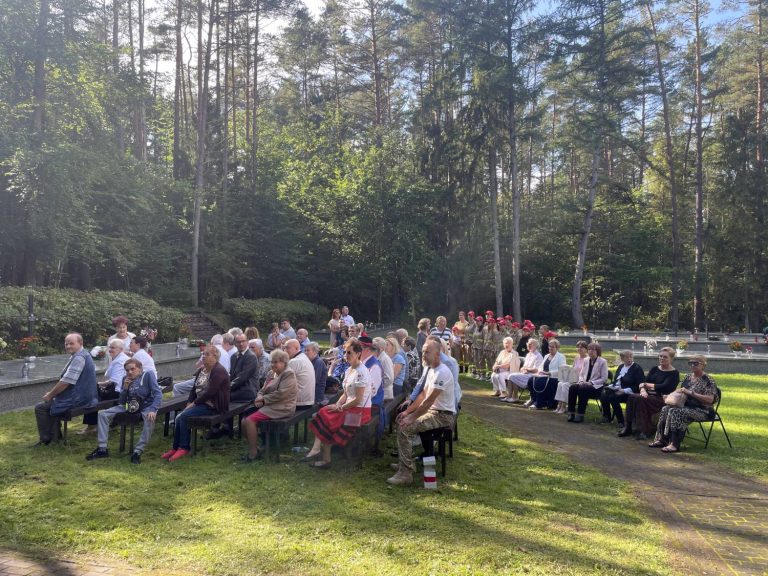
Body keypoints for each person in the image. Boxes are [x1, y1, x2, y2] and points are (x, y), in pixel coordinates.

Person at [388, 339, 456, 486]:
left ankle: (406, 473)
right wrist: (407, 412)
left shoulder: (442, 372)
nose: (423, 355)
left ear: (437, 354)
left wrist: (411, 417)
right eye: (423, 351)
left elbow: (429, 401)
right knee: (401, 421)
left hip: (443, 416)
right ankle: (405, 464)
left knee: (405, 428)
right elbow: (422, 395)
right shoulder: (432, 369)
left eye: (427, 352)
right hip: (433, 411)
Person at [306, 339, 372, 468]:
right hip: (349, 406)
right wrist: (337, 404)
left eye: (350, 353)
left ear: (359, 353)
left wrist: (340, 407)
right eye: (345, 353)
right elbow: (346, 393)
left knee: (328, 417)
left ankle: (324, 457)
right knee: (325, 411)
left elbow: (358, 399)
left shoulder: (362, 372)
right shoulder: (349, 370)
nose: (346, 356)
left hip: (360, 411)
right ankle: (323, 456)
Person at [85, 358, 162, 464]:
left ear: (139, 369)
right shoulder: (125, 378)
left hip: (145, 406)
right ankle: (102, 449)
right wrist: (125, 388)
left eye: (132, 369)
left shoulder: (148, 375)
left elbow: (158, 393)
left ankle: (137, 452)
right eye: (127, 370)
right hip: (129, 405)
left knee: (149, 419)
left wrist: (153, 409)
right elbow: (121, 401)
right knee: (102, 414)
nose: (129, 372)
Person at [161, 345, 230, 462]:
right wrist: (189, 402)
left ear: (215, 357)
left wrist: (194, 404)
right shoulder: (202, 370)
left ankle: (184, 447)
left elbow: (210, 393)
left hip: (213, 405)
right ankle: (175, 448)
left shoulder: (219, 371)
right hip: (201, 403)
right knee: (178, 417)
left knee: (183, 417)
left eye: (207, 354)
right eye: (203, 354)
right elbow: (194, 389)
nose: (203, 357)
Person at [34, 333, 98, 446]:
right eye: (66, 344)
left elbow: (66, 382)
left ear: (81, 343)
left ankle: (47, 439)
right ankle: (54, 437)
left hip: (79, 399)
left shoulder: (79, 358)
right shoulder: (84, 354)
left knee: (41, 407)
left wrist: (50, 395)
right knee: (50, 404)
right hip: (87, 396)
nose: (68, 346)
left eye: (71, 343)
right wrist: (52, 394)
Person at [650, 354, 717, 453]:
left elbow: (710, 400)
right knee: (665, 409)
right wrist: (669, 396)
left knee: (677, 412)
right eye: (690, 363)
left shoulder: (708, 380)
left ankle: (674, 444)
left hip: (703, 410)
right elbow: (681, 392)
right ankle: (662, 439)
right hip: (686, 406)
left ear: (703, 365)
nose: (692, 365)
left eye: (695, 363)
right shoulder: (688, 377)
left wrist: (691, 393)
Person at [240, 349, 298, 461]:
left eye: (276, 362)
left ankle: (253, 453)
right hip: (269, 405)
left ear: (284, 362)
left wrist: (263, 399)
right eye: (271, 362)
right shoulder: (271, 373)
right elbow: (262, 389)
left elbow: (282, 394)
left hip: (282, 407)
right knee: (243, 422)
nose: (272, 364)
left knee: (250, 420)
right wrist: (259, 396)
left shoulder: (288, 374)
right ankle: (256, 447)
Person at [618, 347, 681, 439]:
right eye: (660, 356)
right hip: (648, 395)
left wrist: (647, 385)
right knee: (632, 396)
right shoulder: (655, 369)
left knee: (640, 399)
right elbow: (643, 382)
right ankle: (628, 427)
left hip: (662, 398)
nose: (662, 358)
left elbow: (665, 387)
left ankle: (644, 431)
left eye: (665, 357)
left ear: (671, 358)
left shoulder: (674, 373)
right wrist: (643, 390)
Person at [78, 338, 129, 434]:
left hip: (118, 393)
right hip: (119, 390)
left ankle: (91, 426)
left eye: (113, 348)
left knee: (91, 397)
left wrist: (97, 384)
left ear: (121, 349)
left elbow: (113, 382)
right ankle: (92, 425)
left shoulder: (120, 361)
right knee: (92, 392)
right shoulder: (120, 358)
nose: (110, 350)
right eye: (110, 347)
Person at [600, 350, 644, 426]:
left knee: (613, 397)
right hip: (617, 389)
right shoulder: (621, 367)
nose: (629, 359)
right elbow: (616, 381)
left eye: (631, 357)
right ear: (622, 358)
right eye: (627, 357)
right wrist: (611, 386)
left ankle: (621, 421)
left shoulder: (636, 368)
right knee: (604, 394)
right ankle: (607, 416)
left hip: (630, 393)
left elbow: (638, 385)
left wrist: (623, 391)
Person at [567, 342, 609, 422]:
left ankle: (580, 414)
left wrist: (591, 383)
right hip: (584, 384)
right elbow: (581, 374)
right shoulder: (586, 360)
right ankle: (571, 413)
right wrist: (582, 380)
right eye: (589, 349)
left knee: (583, 388)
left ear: (598, 351)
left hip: (597, 387)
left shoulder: (603, 362)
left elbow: (604, 378)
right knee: (573, 387)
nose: (590, 351)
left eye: (592, 350)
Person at [528, 338, 567, 409]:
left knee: (540, 381)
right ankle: (533, 399)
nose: (550, 348)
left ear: (557, 348)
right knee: (531, 380)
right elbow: (540, 367)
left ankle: (540, 403)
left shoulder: (561, 357)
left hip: (554, 378)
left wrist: (549, 373)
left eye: (552, 347)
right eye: (549, 346)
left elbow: (562, 370)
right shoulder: (546, 356)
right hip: (543, 375)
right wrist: (540, 371)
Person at [502, 339, 543, 403]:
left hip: (532, 376)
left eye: (530, 344)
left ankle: (515, 397)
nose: (528, 346)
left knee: (512, 376)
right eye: (528, 344)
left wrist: (526, 369)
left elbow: (536, 370)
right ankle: (510, 396)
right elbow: (523, 367)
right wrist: (523, 369)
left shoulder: (538, 356)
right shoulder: (528, 354)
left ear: (535, 346)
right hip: (525, 374)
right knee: (511, 376)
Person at [554, 341, 589, 414]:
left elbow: (585, 373)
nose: (579, 349)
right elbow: (573, 369)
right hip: (573, 377)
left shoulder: (587, 359)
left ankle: (564, 406)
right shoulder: (576, 357)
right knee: (560, 383)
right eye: (578, 347)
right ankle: (559, 405)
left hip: (581, 379)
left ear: (586, 349)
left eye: (581, 347)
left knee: (565, 385)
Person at [284, 339, 315, 410]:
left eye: (287, 348)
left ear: (297, 348)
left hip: (299, 403)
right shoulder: (303, 357)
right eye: (284, 348)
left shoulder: (295, 361)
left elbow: (281, 380)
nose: (285, 350)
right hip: (308, 401)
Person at [305, 342, 328, 406]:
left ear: (315, 352)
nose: (305, 352)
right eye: (305, 350)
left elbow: (315, 380)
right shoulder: (310, 361)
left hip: (316, 395)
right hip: (311, 392)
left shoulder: (318, 362)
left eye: (308, 350)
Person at [373, 337, 395, 401]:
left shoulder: (385, 359)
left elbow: (389, 378)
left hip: (385, 395)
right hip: (379, 393)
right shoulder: (377, 357)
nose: (372, 349)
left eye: (374, 347)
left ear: (381, 348)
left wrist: (375, 385)